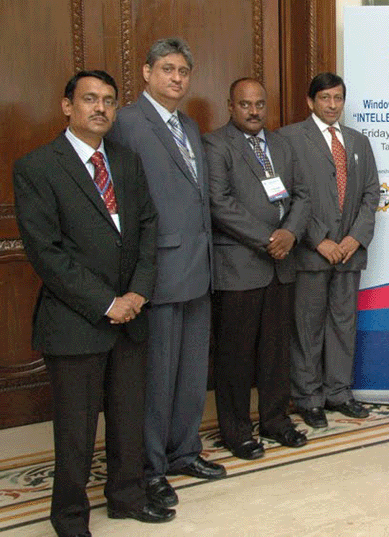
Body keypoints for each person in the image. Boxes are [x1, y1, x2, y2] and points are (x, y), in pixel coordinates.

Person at [13, 70, 174, 536]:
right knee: (76, 431)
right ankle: (69, 519)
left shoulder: (126, 161)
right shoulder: (37, 167)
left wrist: (138, 292)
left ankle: (127, 497)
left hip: (131, 315)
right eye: (89, 99)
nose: (100, 108)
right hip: (76, 321)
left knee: (127, 419)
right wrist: (107, 303)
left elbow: (147, 227)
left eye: (108, 100)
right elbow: (46, 253)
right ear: (68, 106)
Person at [108, 37, 225, 510]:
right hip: (157, 270)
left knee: (191, 373)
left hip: (199, 267)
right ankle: (150, 467)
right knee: (156, 377)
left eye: (183, 71)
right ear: (147, 73)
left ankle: (184, 451)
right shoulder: (126, 123)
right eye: (168, 69)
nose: (177, 78)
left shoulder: (189, 125)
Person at [203, 78, 310, 459]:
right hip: (240, 266)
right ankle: (236, 431)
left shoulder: (281, 144)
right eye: (245, 104)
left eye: (259, 104)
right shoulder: (215, 145)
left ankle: (275, 420)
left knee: (276, 352)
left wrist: (290, 234)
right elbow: (219, 202)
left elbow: (302, 195)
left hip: (282, 264)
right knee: (235, 356)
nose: (253, 111)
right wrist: (268, 239)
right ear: (230, 106)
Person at [277, 72, 379, 429]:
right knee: (307, 329)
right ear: (310, 101)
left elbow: (371, 193)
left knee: (343, 325)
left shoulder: (358, 141)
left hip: (349, 253)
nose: (332, 105)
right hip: (311, 253)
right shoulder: (289, 138)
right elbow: (285, 195)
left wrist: (355, 238)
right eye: (325, 98)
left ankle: (339, 392)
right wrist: (318, 239)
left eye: (338, 98)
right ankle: (308, 398)